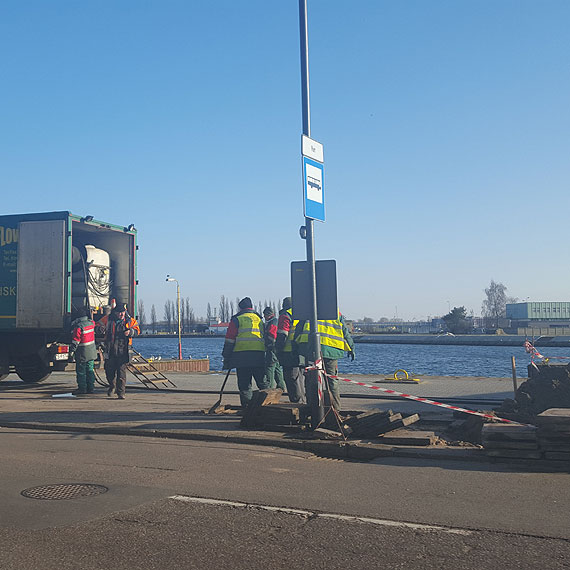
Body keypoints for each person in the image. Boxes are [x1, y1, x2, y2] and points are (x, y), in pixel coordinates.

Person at [294, 311, 354, 411]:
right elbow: (345, 331)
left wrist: (296, 346)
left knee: (311, 380)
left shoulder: (308, 308)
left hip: (311, 349)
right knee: (332, 381)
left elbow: (299, 329)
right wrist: (351, 348)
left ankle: (312, 408)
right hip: (331, 349)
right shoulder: (335, 311)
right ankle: (335, 409)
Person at [222, 297, 269, 407]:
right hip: (259, 355)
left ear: (240, 308)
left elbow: (229, 340)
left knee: (244, 384)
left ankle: (247, 408)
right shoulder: (259, 319)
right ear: (251, 307)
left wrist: (226, 356)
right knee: (263, 383)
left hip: (241, 356)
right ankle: (268, 405)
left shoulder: (237, 319)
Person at [104, 303, 140, 399]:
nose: (121, 314)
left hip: (123, 350)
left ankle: (121, 392)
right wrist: (100, 329)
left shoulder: (130, 321)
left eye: (123, 312)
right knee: (109, 371)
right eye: (119, 313)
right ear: (115, 313)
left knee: (121, 372)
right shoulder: (108, 319)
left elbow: (137, 331)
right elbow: (98, 325)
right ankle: (112, 385)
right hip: (110, 349)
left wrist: (130, 332)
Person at [275, 297, 305, 403]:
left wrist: (277, 350)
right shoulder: (303, 314)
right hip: (302, 352)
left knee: (292, 381)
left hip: (289, 352)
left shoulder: (286, 315)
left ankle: (297, 404)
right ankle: (303, 403)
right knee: (300, 379)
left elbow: (282, 335)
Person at [69, 307, 97, 395]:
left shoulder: (78, 327)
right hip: (92, 352)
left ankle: (82, 388)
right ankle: (91, 388)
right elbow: (94, 322)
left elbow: (75, 341)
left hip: (82, 353)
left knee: (81, 371)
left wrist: (72, 351)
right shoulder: (91, 324)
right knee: (90, 370)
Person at [262, 306, 286, 391]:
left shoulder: (272, 322)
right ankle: (281, 386)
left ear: (268, 315)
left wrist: (268, 344)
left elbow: (272, 335)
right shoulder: (276, 321)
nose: (264, 317)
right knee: (277, 367)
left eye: (264, 315)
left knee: (270, 367)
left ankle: (270, 388)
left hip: (271, 348)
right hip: (276, 348)